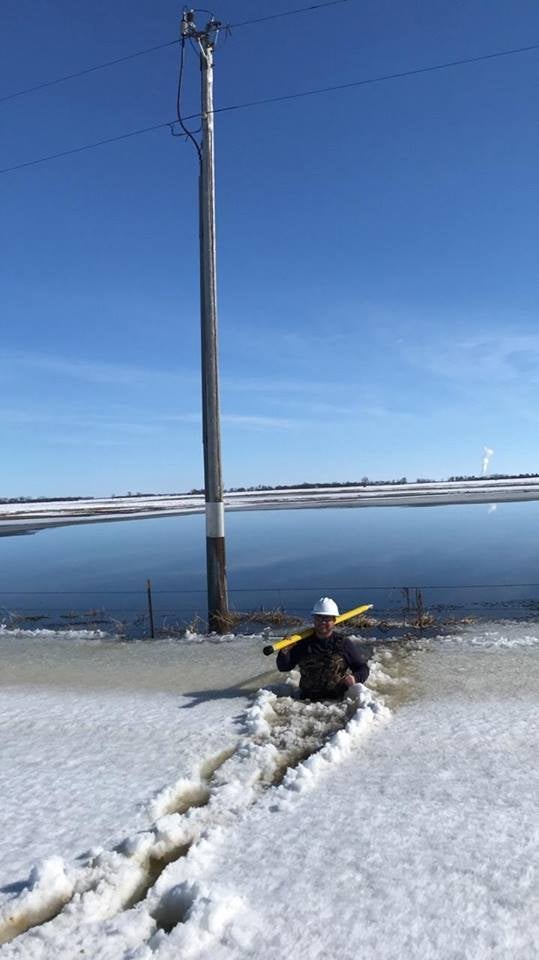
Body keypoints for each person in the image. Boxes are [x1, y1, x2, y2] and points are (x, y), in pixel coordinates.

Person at [276, 597, 369, 701]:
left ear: (334, 621)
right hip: (306, 702)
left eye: (327, 618)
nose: (322, 622)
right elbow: (283, 667)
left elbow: (362, 668)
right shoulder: (302, 643)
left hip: (336, 702)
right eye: (319, 617)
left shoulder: (344, 644)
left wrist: (355, 678)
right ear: (314, 619)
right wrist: (284, 651)